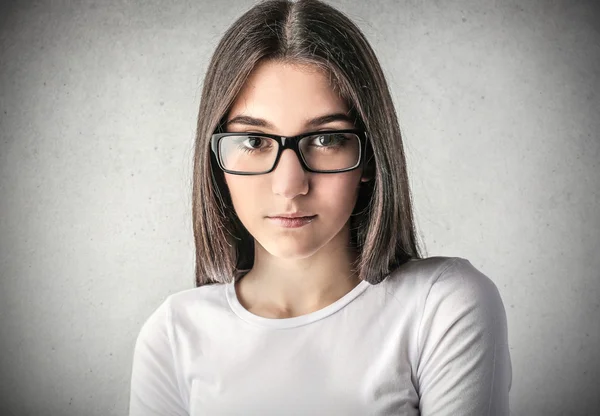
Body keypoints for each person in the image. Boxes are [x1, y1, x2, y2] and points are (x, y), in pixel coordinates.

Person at [128, 0, 512, 414]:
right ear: (216, 161)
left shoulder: (442, 305)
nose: (290, 186)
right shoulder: (174, 333)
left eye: (327, 139)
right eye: (255, 142)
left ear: (369, 156)